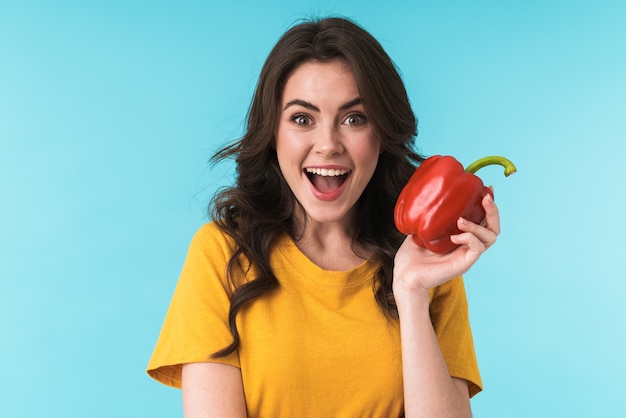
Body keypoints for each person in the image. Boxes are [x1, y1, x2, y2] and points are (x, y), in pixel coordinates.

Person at [147, 16, 500, 417]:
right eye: (302, 119)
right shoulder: (222, 253)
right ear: (273, 132)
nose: (328, 144)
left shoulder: (427, 262)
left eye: (355, 118)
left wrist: (413, 293)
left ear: (382, 134)